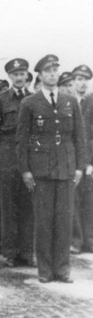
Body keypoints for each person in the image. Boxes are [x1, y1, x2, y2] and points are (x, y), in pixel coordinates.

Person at [16, 54, 87, 283]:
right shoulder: (29, 103)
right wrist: (26, 170)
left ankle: (63, 269)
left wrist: (79, 167)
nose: (53, 74)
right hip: (41, 170)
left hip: (66, 169)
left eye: (56, 70)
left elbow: (79, 138)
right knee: (44, 221)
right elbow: (22, 139)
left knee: (64, 221)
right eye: (48, 71)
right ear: (40, 75)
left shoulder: (70, 101)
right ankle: (45, 270)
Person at [0, 58, 34, 267]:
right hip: (6, 155)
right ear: (9, 77)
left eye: (22, 73)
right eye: (15, 74)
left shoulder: (34, 99)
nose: (19, 77)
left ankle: (27, 252)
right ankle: (11, 253)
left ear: (27, 76)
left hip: (28, 157)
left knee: (28, 206)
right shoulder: (0, 100)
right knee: (8, 206)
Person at [71, 65, 93, 253]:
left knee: (89, 200)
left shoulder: (92, 101)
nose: (82, 83)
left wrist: (90, 162)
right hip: (70, 160)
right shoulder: (67, 101)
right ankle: (76, 241)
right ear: (73, 81)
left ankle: (90, 240)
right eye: (79, 79)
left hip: (88, 161)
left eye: (85, 79)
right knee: (73, 201)